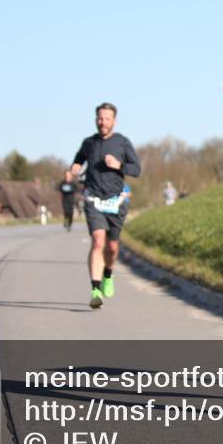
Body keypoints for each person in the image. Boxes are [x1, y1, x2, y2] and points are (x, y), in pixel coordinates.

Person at [70, 103, 142, 309]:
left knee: (112, 247)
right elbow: (78, 161)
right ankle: (95, 290)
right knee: (98, 241)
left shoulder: (122, 143)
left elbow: (137, 169)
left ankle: (108, 275)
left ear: (114, 121)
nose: (103, 122)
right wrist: (74, 167)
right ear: (96, 120)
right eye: (100, 118)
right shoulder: (88, 143)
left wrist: (119, 165)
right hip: (93, 198)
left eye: (107, 119)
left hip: (116, 201)